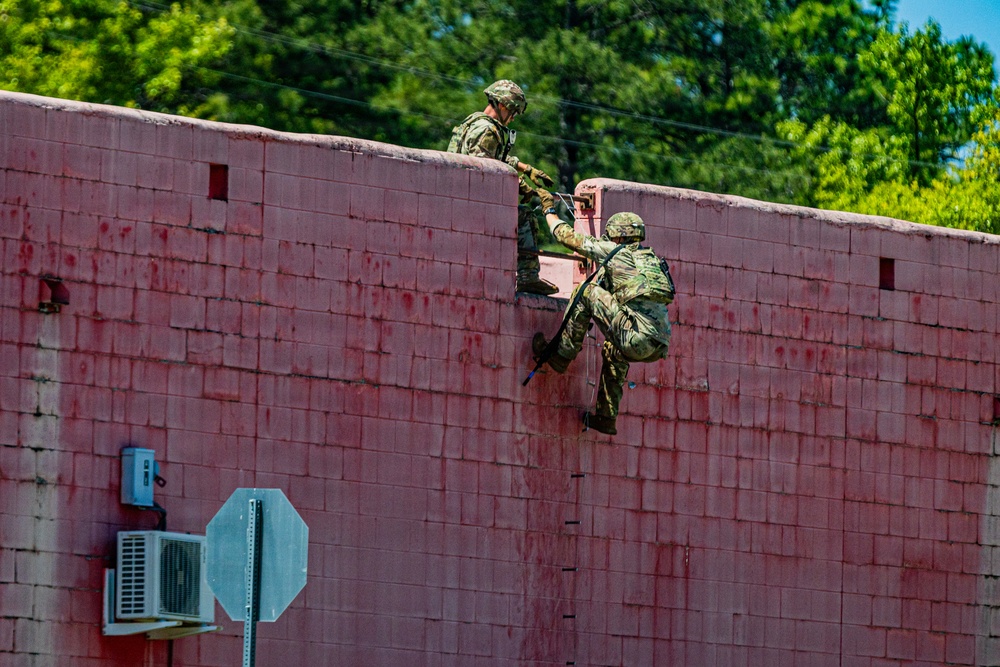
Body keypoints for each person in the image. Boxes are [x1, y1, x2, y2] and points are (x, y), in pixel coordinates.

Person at [532, 197, 673, 435]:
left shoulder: (616, 251)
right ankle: (606, 417)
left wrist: (549, 210)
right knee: (613, 350)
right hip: (657, 344)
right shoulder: (650, 259)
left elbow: (566, 237)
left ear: (617, 236)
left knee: (585, 291)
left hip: (636, 335)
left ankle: (561, 355)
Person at [448, 80, 559, 295]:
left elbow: (494, 157)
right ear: (503, 105)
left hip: (462, 198)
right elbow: (486, 169)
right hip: (472, 205)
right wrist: (522, 187)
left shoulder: (475, 122)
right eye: (513, 111)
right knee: (525, 216)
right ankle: (528, 277)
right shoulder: (487, 130)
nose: (514, 117)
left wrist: (526, 169)